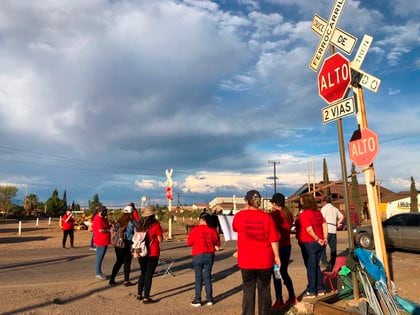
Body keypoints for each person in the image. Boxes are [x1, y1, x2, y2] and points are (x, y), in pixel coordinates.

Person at [232, 190, 280, 315]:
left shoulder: (239, 216)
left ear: (247, 201)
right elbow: (274, 239)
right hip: (264, 260)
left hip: (246, 260)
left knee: (248, 289)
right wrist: (277, 256)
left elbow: (235, 228)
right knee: (264, 290)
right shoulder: (267, 217)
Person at [269, 193, 298, 309]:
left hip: (277, 246)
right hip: (286, 246)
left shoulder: (275, 215)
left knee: (276, 273)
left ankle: (279, 299)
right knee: (284, 272)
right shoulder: (288, 214)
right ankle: (292, 296)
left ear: (275, 203)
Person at [187, 212, 221, 307]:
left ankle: (197, 300)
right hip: (209, 255)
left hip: (197, 254)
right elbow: (217, 242)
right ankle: (209, 299)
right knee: (207, 277)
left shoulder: (195, 229)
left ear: (201, 220)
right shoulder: (213, 230)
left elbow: (189, 243)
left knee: (198, 278)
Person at [299, 195, 328, 299]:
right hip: (320, 242)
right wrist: (324, 238)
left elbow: (309, 229)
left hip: (310, 242)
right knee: (316, 266)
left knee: (311, 267)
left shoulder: (304, 214)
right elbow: (325, 225)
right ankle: (320, 288)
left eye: (302, 201)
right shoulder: (318, 213)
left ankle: (311, 291)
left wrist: (317, 239)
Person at [136, 205, 163, 304]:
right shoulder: (156, 225)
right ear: (153, 215)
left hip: (141, 252)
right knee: (149, 275)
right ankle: (146, 297)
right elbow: (160, 239)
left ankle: (139, 294)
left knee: (142, 273)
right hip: (153, 252)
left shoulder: (139, 225)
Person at [109, 205, 136, 286]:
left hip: (118, 243)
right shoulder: (132, 222)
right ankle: (126, 281)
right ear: (131, 213)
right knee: (127, 262)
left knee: (119, 261)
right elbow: (135, 232)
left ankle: (112, 279)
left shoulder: (119, 221)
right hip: (127, 243)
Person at [320, 196, 344, 270]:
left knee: (323, 247)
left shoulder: (324, 209)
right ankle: (333, 263)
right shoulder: (335, 209)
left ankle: (324, 261)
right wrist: (337, 223)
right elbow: (342, 216)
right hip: (333, 229)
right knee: (333, 248)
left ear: (324, 201)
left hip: (326, 229)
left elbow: (321, 219)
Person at [92, 205, 111, 280]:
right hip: (101, 241)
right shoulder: (98, 219)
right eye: (104, 211)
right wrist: (109, 230)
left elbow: (107, 226)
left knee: (101, 257)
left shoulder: (103, 218)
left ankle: (99, 272)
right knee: (99, 257)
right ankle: (98, 273)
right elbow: (100, 230)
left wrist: (110, 225)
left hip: (105, 240)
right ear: (99, 212)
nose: (105, 212)